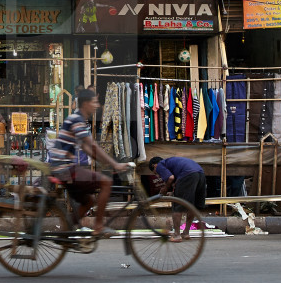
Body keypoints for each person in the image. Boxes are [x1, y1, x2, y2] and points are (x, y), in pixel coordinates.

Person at [47, 88, 129, 237]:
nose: (97, 105)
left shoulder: (78, 119)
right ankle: (98, 226)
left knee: (89, 201)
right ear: (85, 103)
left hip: (63, 168)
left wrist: (105, 163)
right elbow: (92, 145)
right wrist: (115, 164)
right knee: (106, 182)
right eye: (94, 102)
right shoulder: (76, 119)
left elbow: (87, 147)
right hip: (65, 168)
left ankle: (66, 229)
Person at [148, 156, 206, 242]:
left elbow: (170, 178)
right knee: (191, 205)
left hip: (188, 174)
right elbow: (177, 181)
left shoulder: (160, 165)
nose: (158, 175)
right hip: (200, 174)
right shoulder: (174, 162)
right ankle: (186, 232)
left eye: (156, 173)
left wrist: (165, 188)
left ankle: (177, 235)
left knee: (177, 205)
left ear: (154, 165)